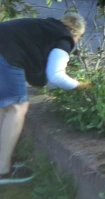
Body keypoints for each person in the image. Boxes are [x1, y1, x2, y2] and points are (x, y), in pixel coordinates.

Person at [0, 12, 89, 185]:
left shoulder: (45, 28)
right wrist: (80, 86)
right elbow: (56, 76)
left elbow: (42, 77)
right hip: (5, 54)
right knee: (18, 107)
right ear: (76, 33)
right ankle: (2, 170)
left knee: (4, 106)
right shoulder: (64, 38)